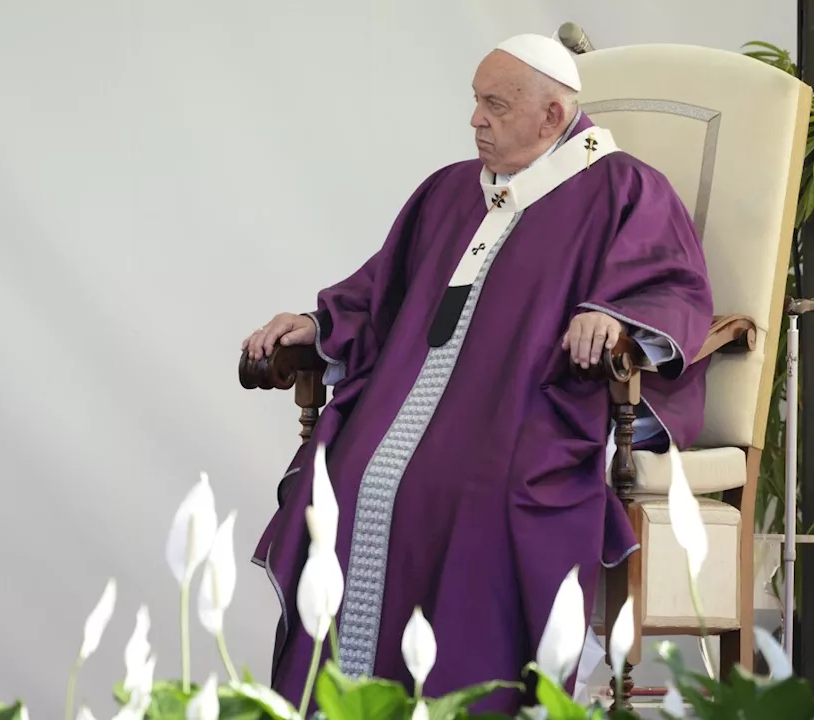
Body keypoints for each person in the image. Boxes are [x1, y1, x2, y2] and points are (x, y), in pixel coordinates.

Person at [243, 33, 714, 713]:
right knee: (343, 477)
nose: (475, 120)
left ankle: (476, 703)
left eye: (495, 105)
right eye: (476, 101)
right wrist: (317, 327)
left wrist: (612, 317)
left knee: (473, 488)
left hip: (535, 408)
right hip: (413, 404)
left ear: (553, 117)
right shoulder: (448, 193)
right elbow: (381, 295)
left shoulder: (625, 188)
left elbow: (674, 288)